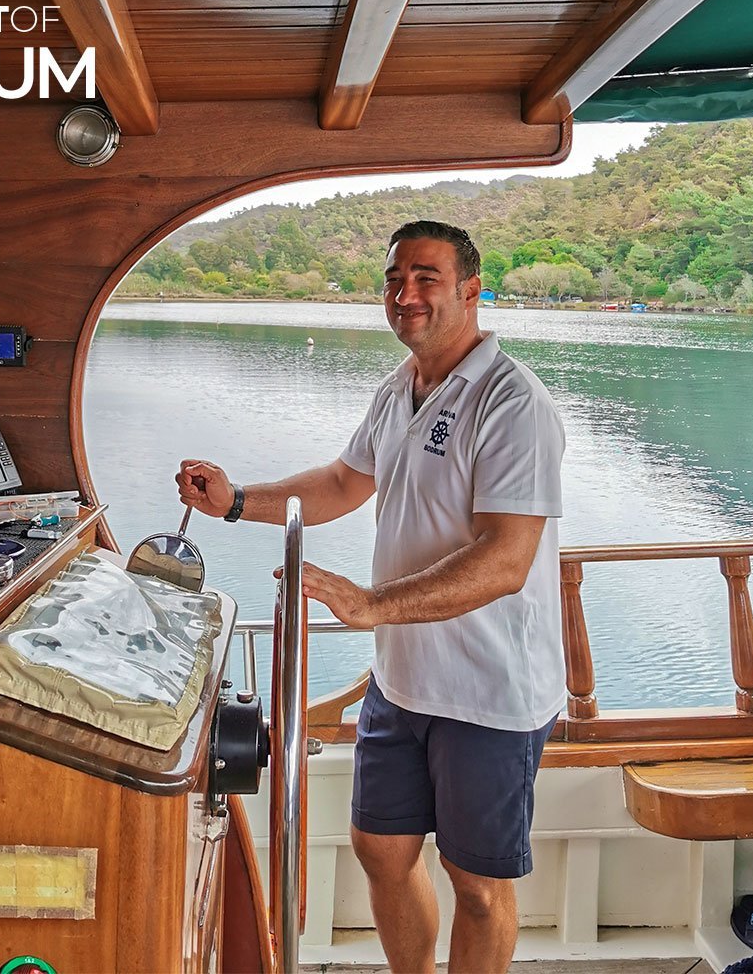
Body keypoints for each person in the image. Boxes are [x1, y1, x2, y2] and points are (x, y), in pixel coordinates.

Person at [175, 220, 565, 974]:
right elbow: (342, 483)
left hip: (490, 691)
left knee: (477, 887)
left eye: (426, 278)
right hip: (403, 680)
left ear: (471, 291)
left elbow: (507, 559)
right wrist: (234, 501)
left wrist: (372, 605)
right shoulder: (399, 390)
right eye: (395, 279)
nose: (405, 294)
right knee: (381, 851)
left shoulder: (513, 402)